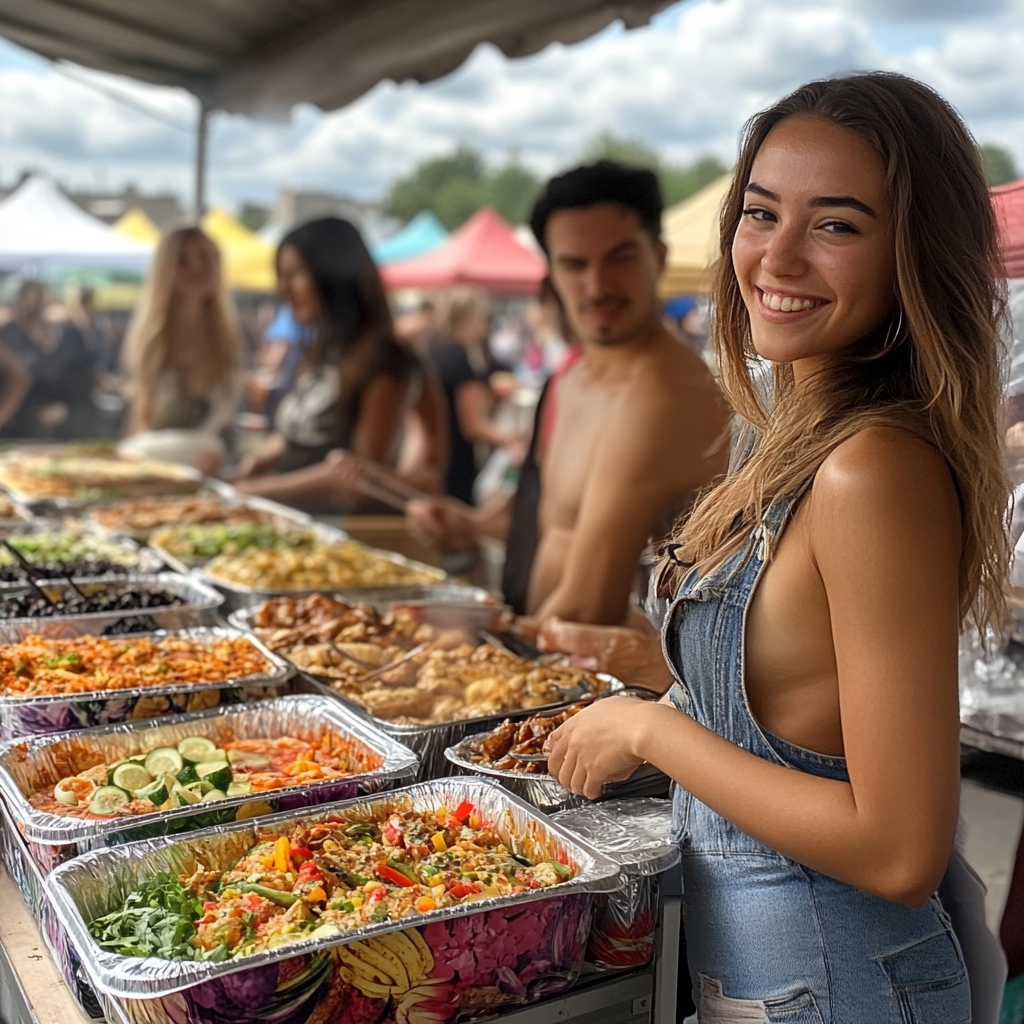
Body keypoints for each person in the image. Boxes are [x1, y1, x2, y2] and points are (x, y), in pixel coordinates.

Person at [547, 72, 1007, 1022]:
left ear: (913, 254)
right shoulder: (793, 427)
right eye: (761, 213)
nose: (777, 257)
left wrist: (651, 732)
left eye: (836, 225)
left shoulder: (872, 468)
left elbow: (898, 848)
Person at [409, 161, 728, 625]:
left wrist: (476, 637)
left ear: (658, 256)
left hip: (607, 681)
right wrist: (473, 525)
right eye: (575, 265)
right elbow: (552, 521)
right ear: (552, 273)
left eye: (620, 258)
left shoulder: (663, 393)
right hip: (551, 657)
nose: (597, 286)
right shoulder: (571, 377)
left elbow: (588, 606)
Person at [234, 218, 422, 513]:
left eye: (295, 274)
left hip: (337, 531)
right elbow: (301, 437)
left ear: (332, 275)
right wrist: (260, 461)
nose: (284, 290)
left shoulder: (383, 358)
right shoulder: (323, 351)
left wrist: (255, 491)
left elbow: (359, 477)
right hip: (288, 518)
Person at [120, 228, 243, 472]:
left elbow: (228, 427)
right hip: (157, 472)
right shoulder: (150, 340)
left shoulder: (230, 339)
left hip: (214, 471)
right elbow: (139, 424)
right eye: (182, 259)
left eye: (206, 256)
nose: (197, 267)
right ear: (164, 270)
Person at [426, 286, 513, 504]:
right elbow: (473, 426)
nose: (487, 323)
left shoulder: (434, 348)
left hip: (434, 459)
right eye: (484, 316)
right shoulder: (459, 356)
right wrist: (515, 440)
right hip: (456, 464)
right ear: (467, 317)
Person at [0, 280, 96, 440]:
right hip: (18, 423)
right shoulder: (9, 333)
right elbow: (19, 378)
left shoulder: (65, 334)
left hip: (62, 420)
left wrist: (65, 407)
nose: (34, 302)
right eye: (29, 297)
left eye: (39, 297)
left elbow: (81, 374)